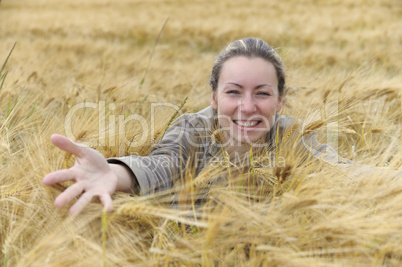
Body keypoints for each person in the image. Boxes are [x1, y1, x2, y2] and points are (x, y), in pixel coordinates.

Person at [42, 38, 369, 215]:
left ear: (280, 101)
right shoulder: (192, 132)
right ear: (213, 97)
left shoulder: (290, 135)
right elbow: (161, 165)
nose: (248, 106)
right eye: (233, 92)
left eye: (263, 93)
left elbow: (341, 171)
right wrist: (115, 172)